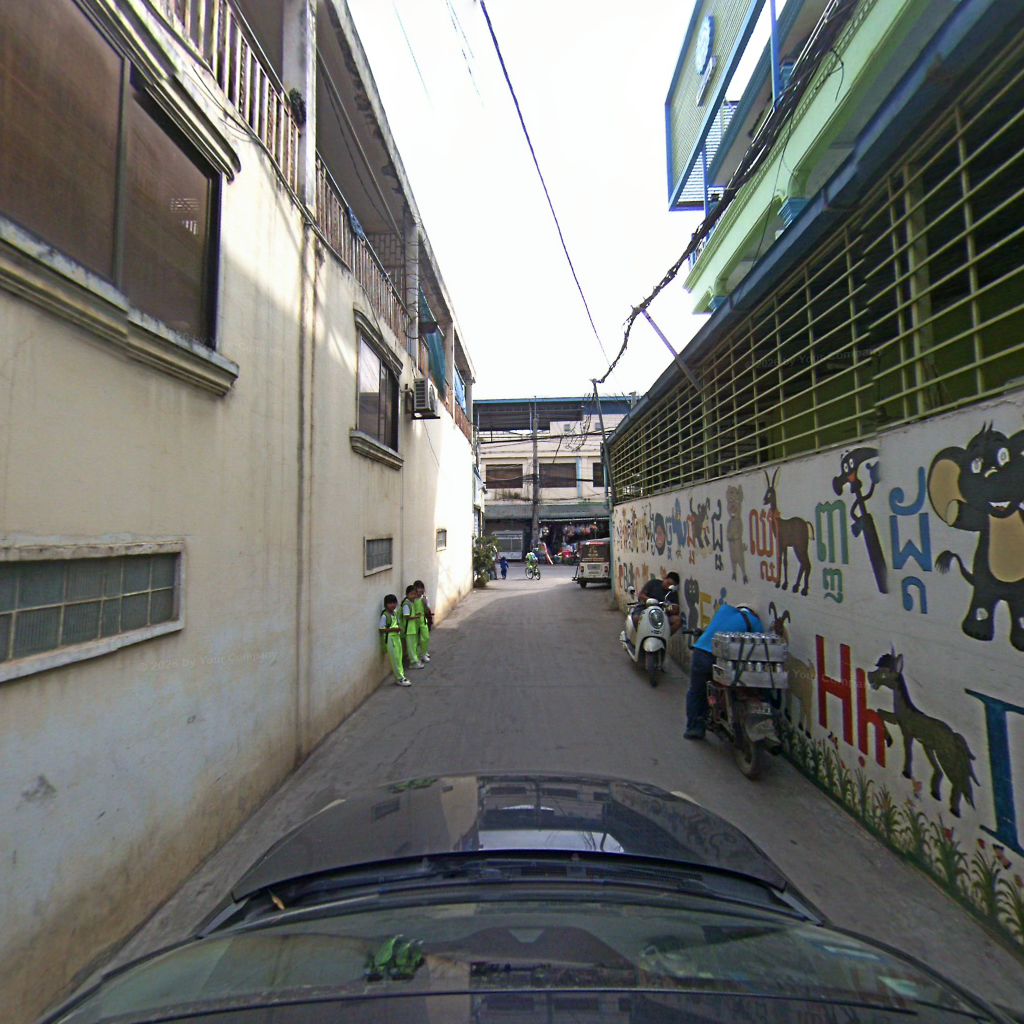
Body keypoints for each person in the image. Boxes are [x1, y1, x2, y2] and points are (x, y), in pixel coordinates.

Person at [684, 602, 764, 739]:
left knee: (696, 691)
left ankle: (694, 728)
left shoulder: (724, 611)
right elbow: (760, 646)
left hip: (701, 652)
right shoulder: (755, 622)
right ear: (753, 613)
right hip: (724, 660)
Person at [379, 594, 409, 686]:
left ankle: (401, 676)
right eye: (390, 603)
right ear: (386, 604)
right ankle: (399, 679)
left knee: (399, 657)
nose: (393, 605)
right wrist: (393, 630)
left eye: (394, 603)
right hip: (390, 639)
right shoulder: (385, 616)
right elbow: (381, 629)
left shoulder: (395, 613)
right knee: (395, 659)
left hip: (396, 637)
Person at [401, 585, 425, 670]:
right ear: (407, 594)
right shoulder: (406, 604)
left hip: (412, 628)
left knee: (414, 645)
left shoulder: (411, 603)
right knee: (411, 647)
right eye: (411, 594)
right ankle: (413, 662)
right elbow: (406, 617)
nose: (414, 596)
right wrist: (416, 617)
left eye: (415, 594)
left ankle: (415, 660)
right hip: (409, 629)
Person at [413, 579, 432, 663]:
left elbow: (427, 610)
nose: (420, 590)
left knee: (425, 637)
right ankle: (417, 656)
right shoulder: (411, 599)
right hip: (413, 621)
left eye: (421, 588)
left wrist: (425, 604)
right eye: (418, 588)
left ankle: (424, 653)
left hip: (422, 620)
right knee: (416, 640)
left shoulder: (424, 598)